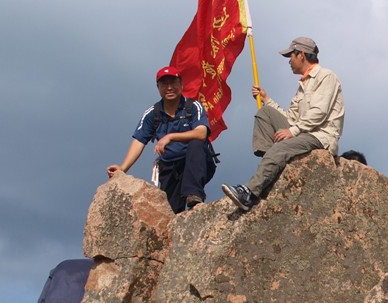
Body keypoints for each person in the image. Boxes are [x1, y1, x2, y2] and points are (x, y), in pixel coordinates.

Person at [221, 37, 344, 210]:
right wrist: (266, 99)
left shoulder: (326, 76)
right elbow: (291, 118)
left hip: (320, 136)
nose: (289, 61)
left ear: (301, 54)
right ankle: (270, 163)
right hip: (302, 132)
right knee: (265, 113)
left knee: (280, 148)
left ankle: (249, 193)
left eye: (290, 56)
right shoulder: (303, 83)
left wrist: (294, 131)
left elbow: (319, 113)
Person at [107, 66, 216, 213]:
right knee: (172, 212)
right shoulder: (153, 114)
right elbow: (139, 141)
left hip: (196, 163)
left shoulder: (193, 107)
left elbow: (201, 133)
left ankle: (194, 196)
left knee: (196, 144)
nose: (169, 88)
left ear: (181, 84)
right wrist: (122, 168)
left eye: (173, 83)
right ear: (158, 87)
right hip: (170, 167)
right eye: (164, 84)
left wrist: (170, 137)